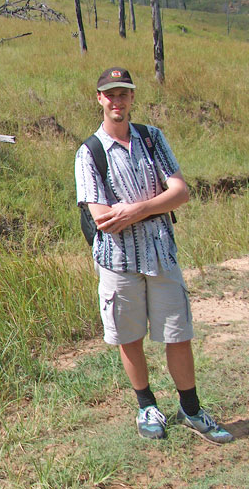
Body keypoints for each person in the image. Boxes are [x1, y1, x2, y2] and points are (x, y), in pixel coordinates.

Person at [74, 67, 233, 444]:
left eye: (124, 93)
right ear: (99, 99)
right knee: (129, 336)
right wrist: (152, 204)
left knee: (178, 333)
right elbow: (102, 219)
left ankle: (191, 409)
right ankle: (146, 406)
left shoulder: (151, 138)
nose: (117, 101)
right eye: (110, 94)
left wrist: (135, 209)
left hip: (161, 253)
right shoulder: (89, 152)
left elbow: (181, 192)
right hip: (118, 261)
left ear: (132, 98)